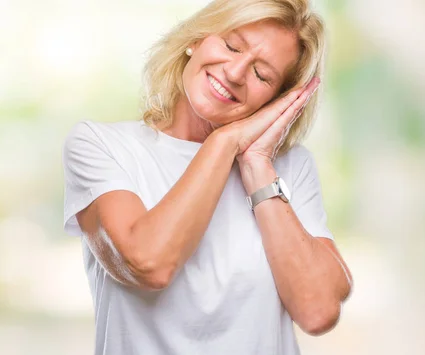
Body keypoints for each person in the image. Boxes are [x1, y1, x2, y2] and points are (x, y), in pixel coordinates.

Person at [62, 0, 353, 354]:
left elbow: (319, 310)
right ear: (196, 39)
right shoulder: (101, 146)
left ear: (276, 100)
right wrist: (225, 140)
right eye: (232, 46)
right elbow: (149, 263)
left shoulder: (290, 167)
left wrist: (257, 164)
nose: (234, 72)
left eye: (262, 75)